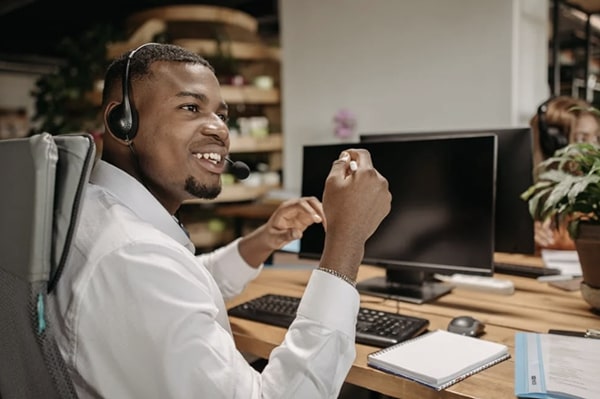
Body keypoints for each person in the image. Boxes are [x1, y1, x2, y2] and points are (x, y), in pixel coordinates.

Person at [48, 42, 391, 398]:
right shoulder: (134, 257)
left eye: (222, 116)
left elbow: (184, 280)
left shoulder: (100, 213)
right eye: (191, 107)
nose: (219, 130)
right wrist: (347, 239)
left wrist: (264, 240)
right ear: (122, 122)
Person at [529, 95, 600, 250]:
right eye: (581, 139)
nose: (594, 148)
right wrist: (528, 237)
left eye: (597, 138)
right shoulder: (528, 198)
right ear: (554, 146)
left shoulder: (594, 198)